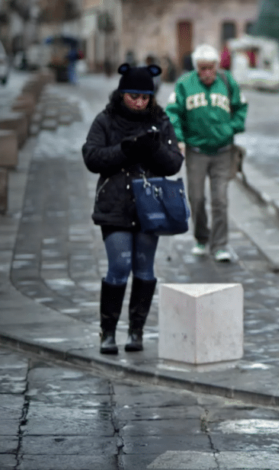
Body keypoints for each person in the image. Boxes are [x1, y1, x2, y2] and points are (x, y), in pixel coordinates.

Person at [82, 63, 184, 354]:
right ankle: (108, 332)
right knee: (119, 265)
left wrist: (153, 149)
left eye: (145, 97)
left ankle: (136, 331)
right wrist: (125, 149)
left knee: (144, 267)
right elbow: (91, 157)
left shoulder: (160, 120)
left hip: (149, 206)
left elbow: (174, 162)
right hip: (114, 204)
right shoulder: (106, 120)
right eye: (133, 96)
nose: (139, 103)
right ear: (122, 93)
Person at [165, 44, 248, 262]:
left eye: (211, 68)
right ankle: (201, 237)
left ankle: (220, 245)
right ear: (196, 68)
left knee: (220, 199)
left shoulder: (227, 82)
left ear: (216, 66)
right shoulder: (185, 85)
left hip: (223, 151)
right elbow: (173, 113)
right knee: (197, 198)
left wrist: (231, 128)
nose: (207, 73)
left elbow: (241, 107)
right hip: (196, 151)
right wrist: (179, 139)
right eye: (202, 68)